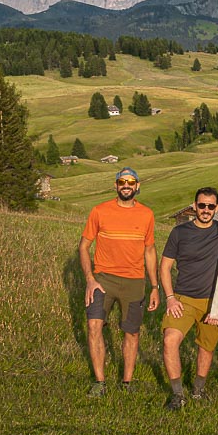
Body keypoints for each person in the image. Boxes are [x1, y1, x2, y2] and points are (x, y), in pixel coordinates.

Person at [159, 187, 218, 411]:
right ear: (194, 206)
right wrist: (170, 298)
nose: (206, 210)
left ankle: (199, 390)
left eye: (210, 206)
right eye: (202, 205)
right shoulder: (180, 232)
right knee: (170, 340)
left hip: (213, 301)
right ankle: (178, 394)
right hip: (183, 299)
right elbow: (165, 266)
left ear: (217, 208)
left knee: (206, 347)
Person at [79, 166, 159, 397]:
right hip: (102, 279)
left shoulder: (147, 215)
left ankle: (127, 382)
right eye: (122, 182)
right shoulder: (99, 211)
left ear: (137, 186)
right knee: (94, 326)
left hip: (134, 281)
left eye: (130, 182)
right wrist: (89, 279)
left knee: (131, 333)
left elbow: (150, 251)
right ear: (116, 186)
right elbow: (84, 246)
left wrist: (154, 287)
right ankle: (99, 382)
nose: (126, 186)